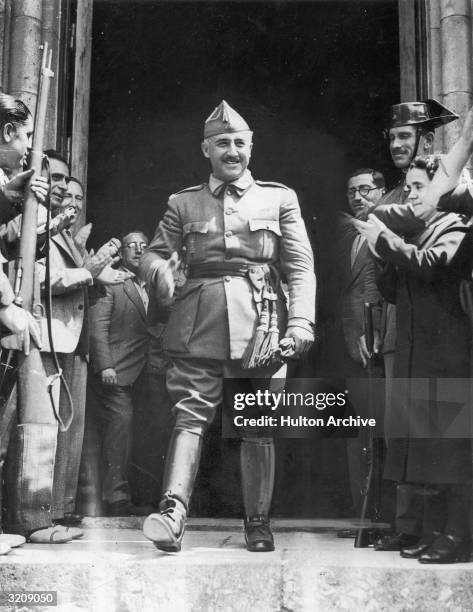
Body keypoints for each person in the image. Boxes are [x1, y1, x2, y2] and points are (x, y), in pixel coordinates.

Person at [139, 100, 315, 552]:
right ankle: (172, 512)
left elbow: (300, 267)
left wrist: (300, 323)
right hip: (197, 323)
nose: (232, 150)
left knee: (256, 424)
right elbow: (154, 252)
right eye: (222, 143)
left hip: (263, 323)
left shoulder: (280, 198)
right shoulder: (183, 202)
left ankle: (257, 523)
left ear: (251, 147)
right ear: (205, 149)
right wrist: (158, 271)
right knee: (189, 416)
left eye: (239, 142)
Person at [354, 105, 473, 563]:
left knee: (453, 449)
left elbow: (430, 267)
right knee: (429, 448)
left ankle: (457, 536)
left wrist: (385, 240)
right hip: (423, 349)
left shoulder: (456, 226)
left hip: (450, 350)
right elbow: (394, 290)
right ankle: (436, 531)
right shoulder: (423, 229)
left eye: (421, 190)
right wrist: (385, 255)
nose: (413, 199)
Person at [86, 231, 151, 515]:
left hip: (146, 371)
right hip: (116, 370)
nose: (138, 250)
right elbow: (97, 326)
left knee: (140, 429)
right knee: (119, 428)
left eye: (144, 246)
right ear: (122, 252)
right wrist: (106, 365)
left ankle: (138, 493)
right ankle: (115, 497)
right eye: (131, 246)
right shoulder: (112, 281)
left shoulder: (152, 284)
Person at [337, 169, 385, 517]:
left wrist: (376, 328)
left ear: (382, 192)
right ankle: (362, 515)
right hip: (352, 343)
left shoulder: (388, 229)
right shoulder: (349, 235)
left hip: (379, 340)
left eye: (365, 189)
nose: (358, 197)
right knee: (358, 430)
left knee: (383, 428)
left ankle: (381, 516)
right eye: (352, 191)